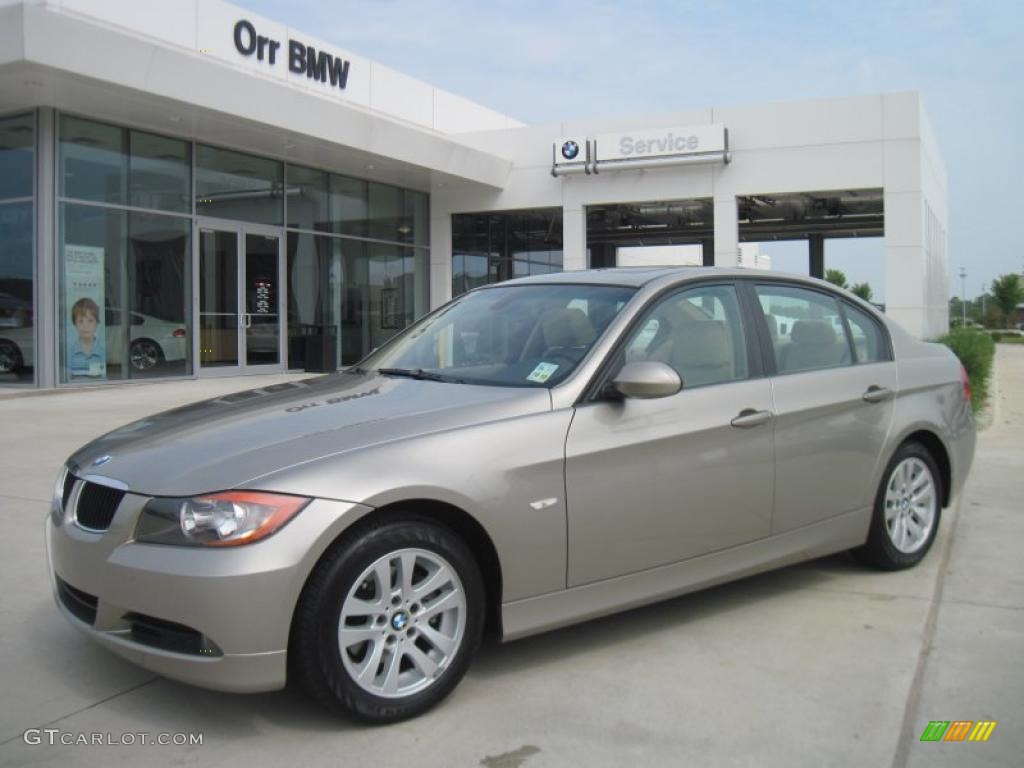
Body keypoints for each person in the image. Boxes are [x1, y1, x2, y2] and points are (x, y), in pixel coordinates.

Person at [68, 297, 105, 377]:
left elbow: (104, 378)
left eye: (90, 321)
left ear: (97, 323)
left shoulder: (102, 351)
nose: (85, 326)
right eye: (81, 321)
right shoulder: (70, 352)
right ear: (75, 324)